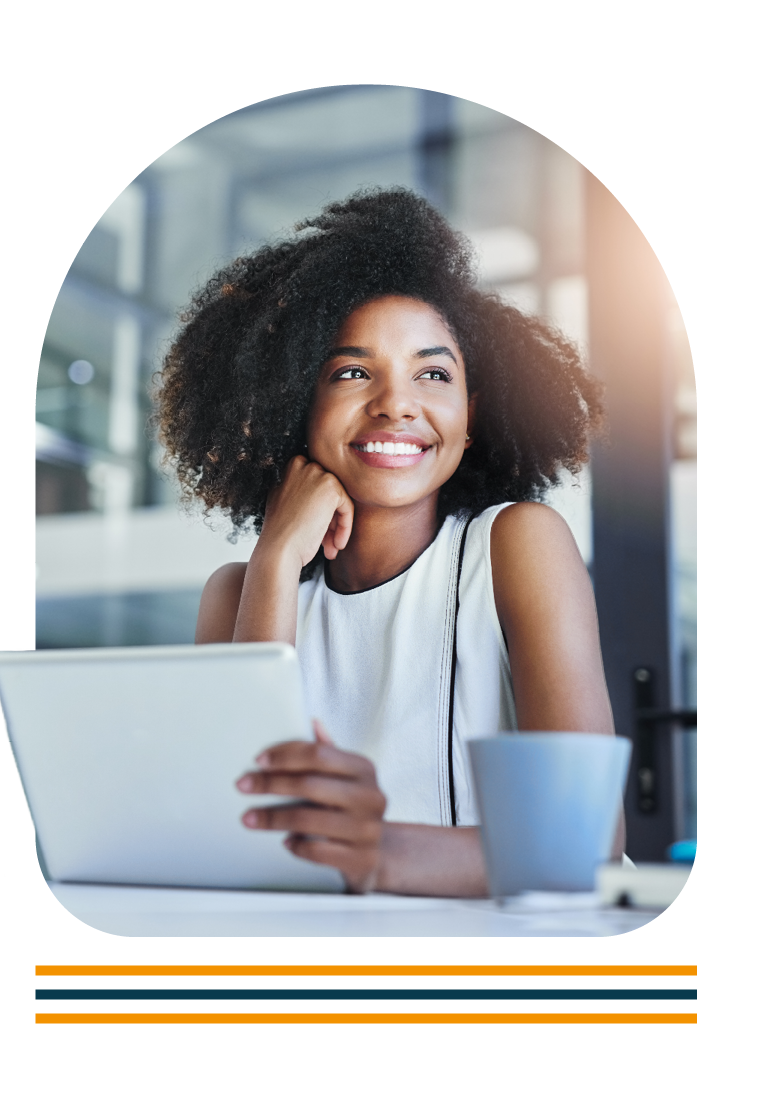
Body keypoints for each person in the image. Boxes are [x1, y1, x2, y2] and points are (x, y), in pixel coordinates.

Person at [154, 187, 620, 896]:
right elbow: (241, 835)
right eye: (352, 372)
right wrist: (276, 561)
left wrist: (378, 854)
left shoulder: (515, 546)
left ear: (470, 415)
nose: (397, 403)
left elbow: (584, 839)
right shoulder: (239, 593)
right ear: (293, 403)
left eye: (434, 374)